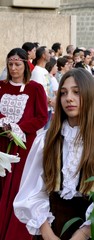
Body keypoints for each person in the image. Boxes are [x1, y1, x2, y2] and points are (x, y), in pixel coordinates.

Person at [14, 68, 94, 240]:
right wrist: (47, 233)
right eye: (64, 93)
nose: (69, 98)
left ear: (89, 95)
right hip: (52, 227)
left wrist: (82, 233)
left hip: (90, 229)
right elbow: (32, 190)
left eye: (76, 92)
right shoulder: (46, 140)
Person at [0, 48, 48, 240]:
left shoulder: (35, 88)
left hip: (23, 146)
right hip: (1, 144)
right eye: (10, 64)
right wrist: (5, 124)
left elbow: (42, 117)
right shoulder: (1, 87)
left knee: (17, 188)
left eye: (17, 64)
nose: (13, 68)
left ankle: (13, 232)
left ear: (25, 65)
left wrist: (19, 129)